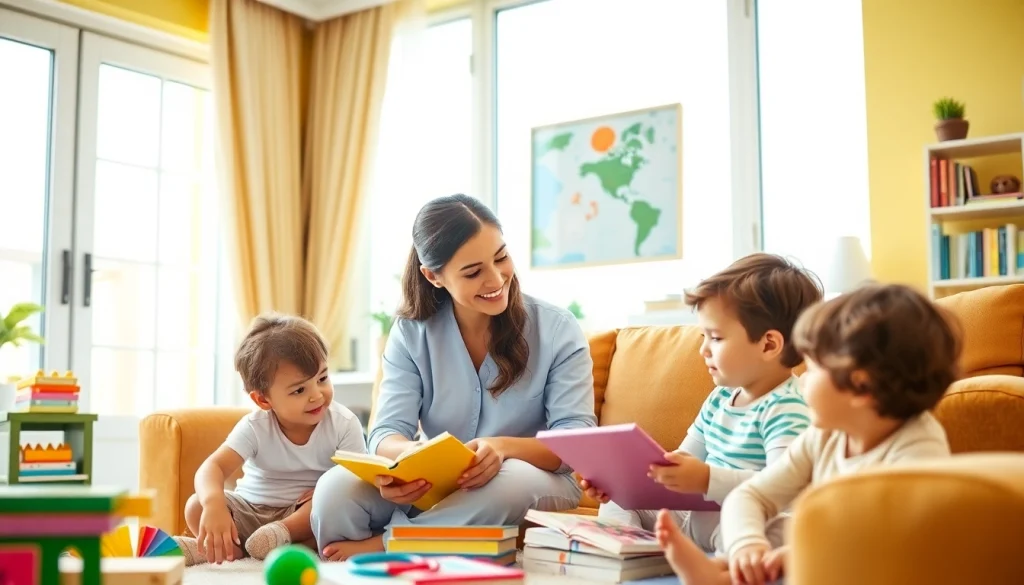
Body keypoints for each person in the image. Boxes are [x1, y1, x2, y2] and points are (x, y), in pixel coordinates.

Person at [310, 194, 597, 561]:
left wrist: (503, 447)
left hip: (530, 479)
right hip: (438, 485)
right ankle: (414, 551)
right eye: (473, 271)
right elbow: (384, 434)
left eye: (501, 257)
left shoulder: (557, 329)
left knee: (506, 484)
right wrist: (407, 460)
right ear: (433, 276)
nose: (496, 279)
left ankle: (388, 547)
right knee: (334, 491)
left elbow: (575, 442)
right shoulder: (412, 332)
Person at [656, 282, 960, 585]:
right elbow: (751, 495)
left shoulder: (917, 450)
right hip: (826, 552)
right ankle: (723, 573)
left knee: (798, 534)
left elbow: (889, 538)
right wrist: (747, 545)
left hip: (883, 569)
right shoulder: (824, 436)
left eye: (812, 370)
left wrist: (799, 553)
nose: (802, 380)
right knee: (775, 529)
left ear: (860, 387)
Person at [581, 253, 822, 554]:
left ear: (769, 345)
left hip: (744, 523)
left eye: (716, 338)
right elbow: (681, 458)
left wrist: (707, 478)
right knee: (620, 504)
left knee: (770, 534)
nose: (703, 350)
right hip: (695, 516)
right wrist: (622, 482)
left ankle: (706, 566)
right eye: (703, 336)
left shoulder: (786, 408)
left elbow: (781, 488)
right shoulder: (720, 397)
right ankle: (633, 560)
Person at [171, 315, 367, 566]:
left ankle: (277, 538)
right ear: (263, 400)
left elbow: (356, 482)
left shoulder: (343, 423)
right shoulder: (255, 426)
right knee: (196, 505)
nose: (317, 395)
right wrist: (214, 504)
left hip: (302, 516)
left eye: (322, 379)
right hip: (250, 508)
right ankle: (226, 549)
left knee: (331, 506)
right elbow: (213, 467)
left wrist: (323, 492)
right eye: (299, 390)